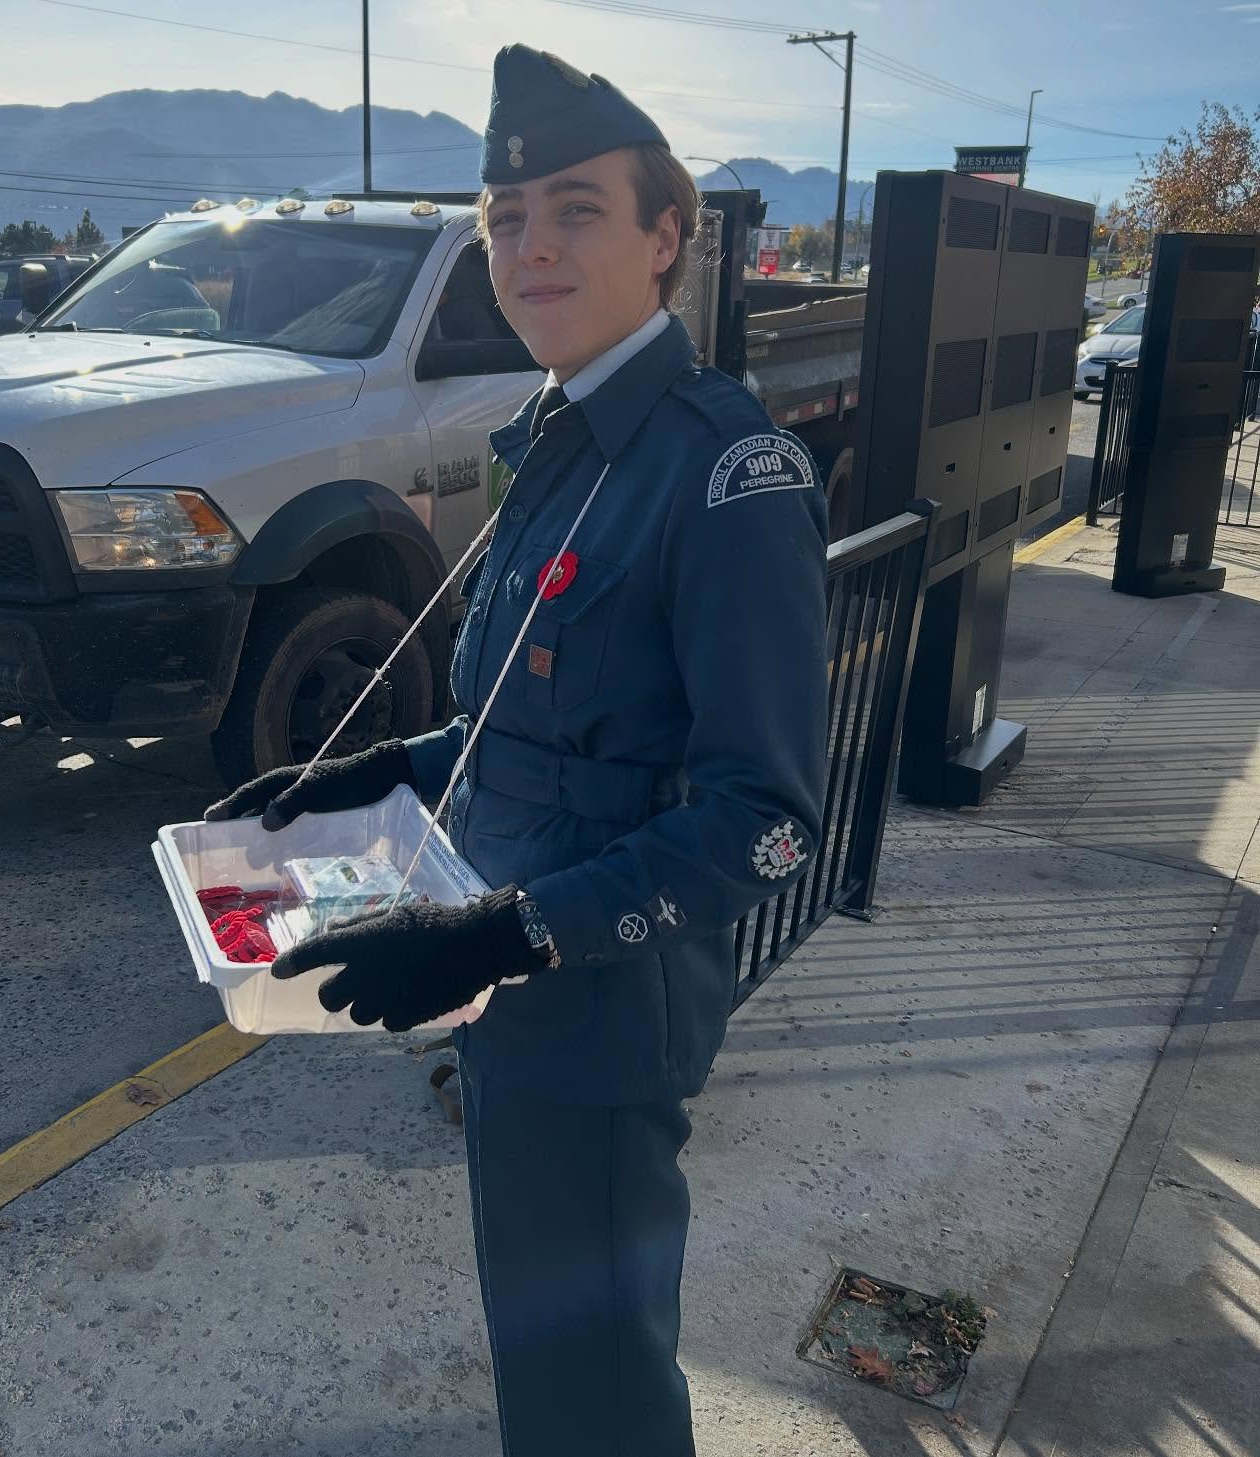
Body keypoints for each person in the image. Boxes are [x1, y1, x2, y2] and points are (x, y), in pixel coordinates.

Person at [206, 43, 828, 1457]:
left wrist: (510, 936)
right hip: (510, 993)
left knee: (593, 1403)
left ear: (666, 237)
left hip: (599, 1016)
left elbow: (770, 820)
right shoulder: (555, 436)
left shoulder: (725, 471)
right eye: (504, 218)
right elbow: (524, 728)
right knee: (550, 1383)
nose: (529, 245)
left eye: (576, 209)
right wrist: (375, 774)